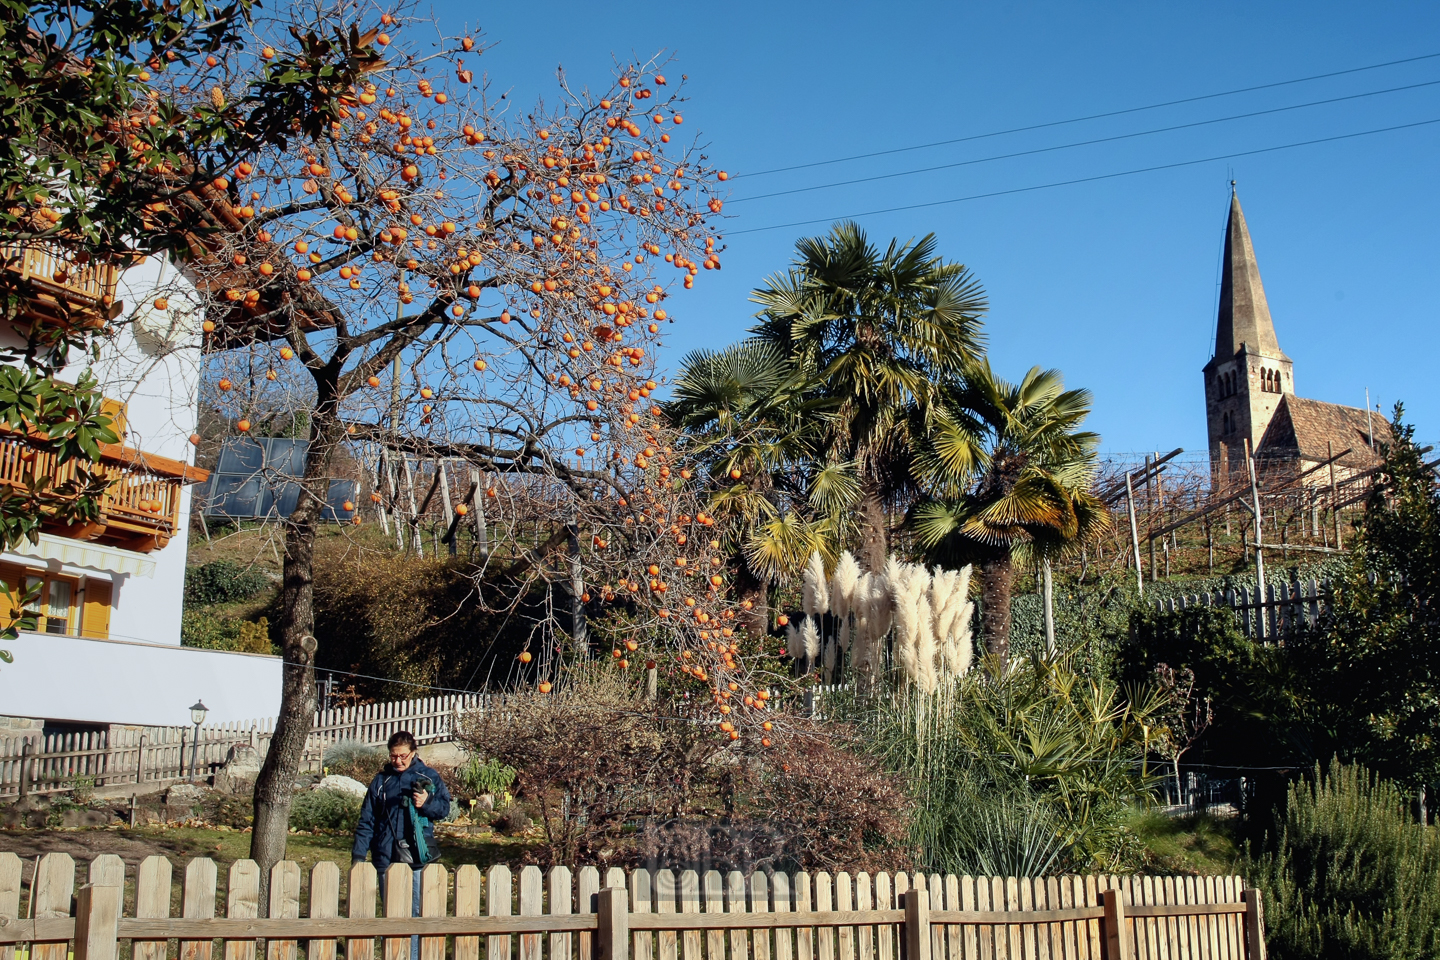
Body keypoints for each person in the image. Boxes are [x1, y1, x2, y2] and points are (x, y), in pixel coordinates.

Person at [352, 731, 451, 960]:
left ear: (413, 752)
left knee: (415, 914)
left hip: (416, 856)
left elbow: (444, 809)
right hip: (385, 856)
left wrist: (427, 802)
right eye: (393, 756)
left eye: (403, 756)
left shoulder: (427, 775)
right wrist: (358, 856)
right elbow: (367, 820)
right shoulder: (381, 781)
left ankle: (414, 956)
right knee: (392, 914)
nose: (397, 761)